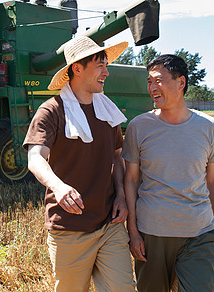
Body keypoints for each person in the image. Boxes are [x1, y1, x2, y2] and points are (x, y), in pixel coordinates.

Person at [23, 36, 135, 291]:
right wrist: (58, 186)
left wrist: (120, 195)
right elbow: (35, 158)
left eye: (107, 65)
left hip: (110, 224)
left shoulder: (109, 111)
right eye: (100, 66)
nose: (107, 72)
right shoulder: (51, 111)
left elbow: (117, 157)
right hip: (69, 228)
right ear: (77, 68)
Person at [122, 54, 214, 292]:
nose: (152, 88)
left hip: (200, 234)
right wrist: (133, 232)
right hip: (152, 236)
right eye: (149, 82)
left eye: (158, 81)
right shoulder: (138, 127)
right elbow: (130, 180)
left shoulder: (209, 127)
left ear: (181, 82)